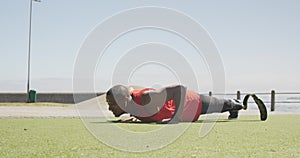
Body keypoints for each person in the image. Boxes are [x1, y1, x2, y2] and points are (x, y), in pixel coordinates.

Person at [106, 84, 267, 123]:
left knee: (224, 104)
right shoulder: (132, 106)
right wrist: (134, 117)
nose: (109, 108)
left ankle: (240, 105)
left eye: (111, 104)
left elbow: (180, 90)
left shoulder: (148, 97)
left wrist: (175, 119)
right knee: (223, 106)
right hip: (183, 110)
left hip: (192, 103)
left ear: (124, 101)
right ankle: (233, 108)